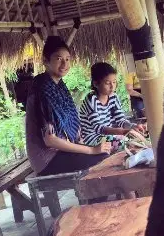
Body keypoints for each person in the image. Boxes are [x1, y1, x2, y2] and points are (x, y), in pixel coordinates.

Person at [25, 36, 111, 176]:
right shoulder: (42, 88)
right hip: (46, 159)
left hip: (59, 153)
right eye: (59, 59)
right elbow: (50, 140)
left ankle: (92, 196)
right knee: (102, 160)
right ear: (46, 61)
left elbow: (71, 123)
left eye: (67, 59)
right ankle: (95, 197)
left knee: (107, 153)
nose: (64, 64)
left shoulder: (59, 86)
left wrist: (87, 146)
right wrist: (91, 150)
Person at [79, 62, 145, 153]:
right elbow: (99, 128)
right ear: (96, 83)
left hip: (108, 136)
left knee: (138, 139)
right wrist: (124, 132)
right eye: (107, 83)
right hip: (93, 139)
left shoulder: (114, 97)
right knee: (129, 145)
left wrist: (133, 126)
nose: (112, 86)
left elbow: (120, 120)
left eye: (114, 82)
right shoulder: (91, 100)